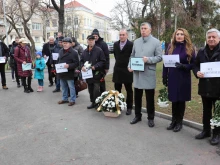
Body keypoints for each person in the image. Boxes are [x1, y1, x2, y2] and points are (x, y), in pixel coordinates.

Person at [128, 22, 162, 127]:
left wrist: (148, 59)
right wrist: (129, 65)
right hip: (137, 74)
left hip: (148, 73)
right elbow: (132, 55)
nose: (143, 30)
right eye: (141, 28)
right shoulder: (136, 42)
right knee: (137, 97)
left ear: (150, 30)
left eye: (145, 28)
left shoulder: (156, 42)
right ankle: (137, 116)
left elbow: (160, 57)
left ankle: (151, 118)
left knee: (149, 98)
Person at [162, 28, 195, 132]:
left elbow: (194, 64)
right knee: (174, 100)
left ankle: (179, 122)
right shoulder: (170, 47)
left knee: (181, 100)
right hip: (172, 77)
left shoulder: (190, 48)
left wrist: (184, 66)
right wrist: (164, 76)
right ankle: (173, 120)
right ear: (175, 36)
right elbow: (165, 63)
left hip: (183, 77)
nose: (179, 36)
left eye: (181, 34)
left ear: (185, 36)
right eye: (177, 34)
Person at [193, 28, 220, 145]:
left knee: (218, 112)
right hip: (205, 87)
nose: (211, 39)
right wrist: (197, 72)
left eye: (214, 37)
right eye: (209, 37)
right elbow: (195, 65)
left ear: (218, 38)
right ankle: (206, 130)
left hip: (218, 88)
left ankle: (217, 134)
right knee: (206, 111)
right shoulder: (201, 51)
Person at [81, 35, 106, 109]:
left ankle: (98, 103)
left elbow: (103, 61)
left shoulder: (99, 50)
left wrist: (96, 66)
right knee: (90, 89)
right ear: (87, 41)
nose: (91, 41)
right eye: (89, 40)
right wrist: (82, 66)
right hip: (88, 74)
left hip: (96, 73)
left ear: (94, 41)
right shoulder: (85, 51)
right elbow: (81, 60)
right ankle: (93, 102)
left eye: (92, 40)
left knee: (96, 89)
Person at [112, 29, 133, 115]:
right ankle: (118, 106)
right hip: (118, 70)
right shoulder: (115, 44)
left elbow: (132, 56)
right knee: (117, 90)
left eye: (123, 35)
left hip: (127, 70)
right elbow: (116, 55)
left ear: (127, 35)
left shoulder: (131, 44)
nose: (121, 36)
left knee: (129, 90)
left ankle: (129, 107)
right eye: (120, 35)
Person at [57, 37, 79, 106]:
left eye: (66, 43)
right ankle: (65, 99)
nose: (65, 44)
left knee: (71, 87)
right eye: (64, 43)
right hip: (61, 72)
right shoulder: (60, 51)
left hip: (69, 72)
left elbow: (76, 63)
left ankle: (72, 100)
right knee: (63, 87)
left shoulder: (74, 52)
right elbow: (59, 60)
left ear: (70, 44)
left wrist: (69, 65)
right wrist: (56, 67)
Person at [92, 29, 110, 93]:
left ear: (98, 36)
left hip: (102, 67)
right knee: (94, 84)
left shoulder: (103, 44)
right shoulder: (91, 44)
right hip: (93, 67)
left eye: (96, 36)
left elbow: (107, 56)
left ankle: (103, 97)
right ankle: (95, 99)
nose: (95, 37)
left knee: (101, 83)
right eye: (93, 36)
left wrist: (107, 67)